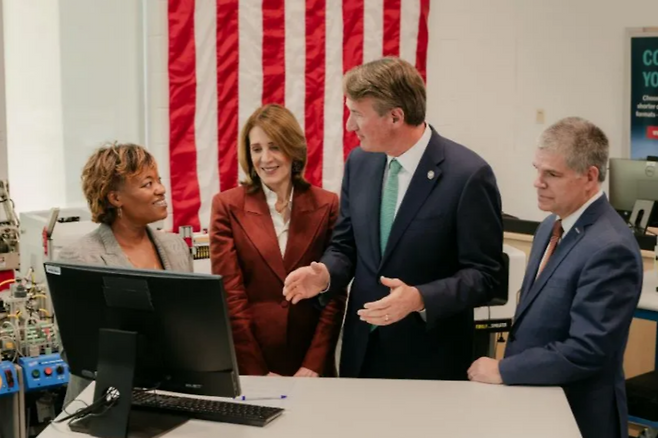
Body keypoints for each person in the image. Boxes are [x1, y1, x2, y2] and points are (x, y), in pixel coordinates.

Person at [283, 57, 504, 379]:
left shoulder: (468, 175)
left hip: (429, 360)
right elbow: (346, 246)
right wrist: (326, 275)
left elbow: (485, 276)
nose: (350, 125)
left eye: (358, 114)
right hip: (362, 353)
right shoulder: (360, 162)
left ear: (395, 117)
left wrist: (420, 298)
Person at [467, 117, 643, 438]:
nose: (537, 182)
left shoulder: (611, 248)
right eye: (537, 170)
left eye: (552, 174)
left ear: (590, 176)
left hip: (577, 415)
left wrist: (505, 369)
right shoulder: (551, 225)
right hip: (535, 403)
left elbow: (587, 349)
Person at [209, 104, 346, 377]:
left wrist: (313, 365)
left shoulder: (327, 204)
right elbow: (230, 297)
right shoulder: (226, 206)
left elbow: (335, 291)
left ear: (293, 149)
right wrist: (258, 371)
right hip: (254, 364)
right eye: (256, 149)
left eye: (274, 146)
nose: (265, 158)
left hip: (312, 365)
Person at [58, 143, 193, 406]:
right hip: (103, 406)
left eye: (159, 180)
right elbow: (74, 350)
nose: (161, 189)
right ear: (115, 198)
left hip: (168, 398)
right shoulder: (80, 259)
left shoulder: (176, 247)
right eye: (147, 184)